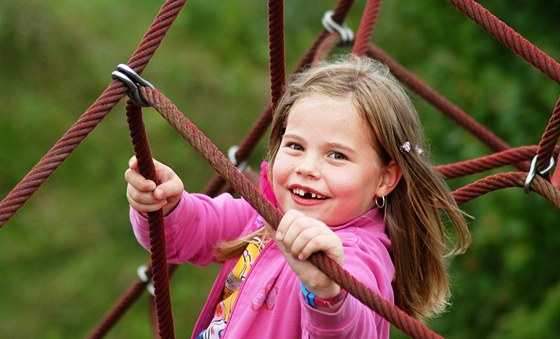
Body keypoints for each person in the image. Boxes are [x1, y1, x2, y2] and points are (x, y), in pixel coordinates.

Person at [125, 54, 471, 338]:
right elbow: (183, 235)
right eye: (295, 146)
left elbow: (354, 327)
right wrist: (165, 205)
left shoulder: (361, 257)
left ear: (385, 178)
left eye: (337, 155)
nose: (307, 167)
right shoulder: (264, 214)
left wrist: (328, 290)